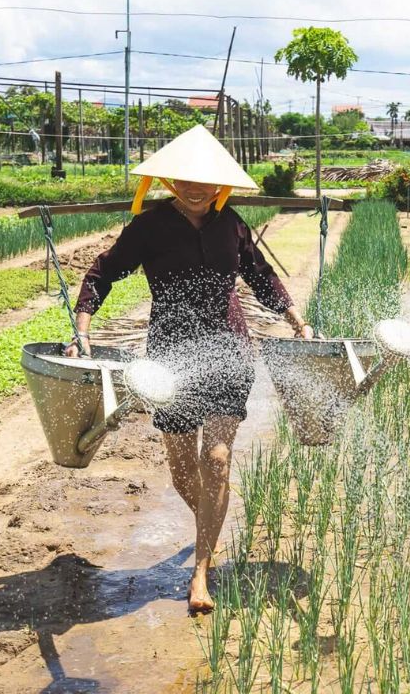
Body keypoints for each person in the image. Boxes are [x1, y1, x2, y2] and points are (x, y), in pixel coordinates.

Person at [66, 126, 312, 614]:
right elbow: (103, 272)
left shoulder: (231, 224)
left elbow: (261, 276)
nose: (195, 189)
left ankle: (200, 572)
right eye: (184, 180)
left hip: (228, 350)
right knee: (182, 471)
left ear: (220, 183)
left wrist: (297, 322)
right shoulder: (149, 227)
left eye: (204, 181)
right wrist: (83, 330)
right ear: (169, 181)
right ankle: (211, 523)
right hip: (170, 358)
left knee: (216, 460)